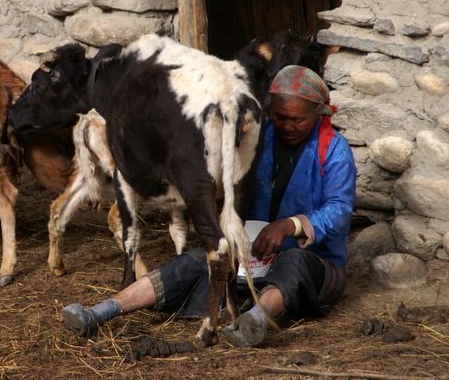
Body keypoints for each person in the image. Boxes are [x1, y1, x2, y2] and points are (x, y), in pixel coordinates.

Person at [61, 65, 356, 347]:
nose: (287, 126)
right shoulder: (258, 138)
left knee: (295, 264)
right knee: (196, 260)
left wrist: (290, 226)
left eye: (297, 120)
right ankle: (101, 311)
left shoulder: (334, 151)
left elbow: (339, 210)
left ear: (319, 113)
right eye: (280, 117)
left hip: (314, 262)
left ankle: (255, 321)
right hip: (250, 256)